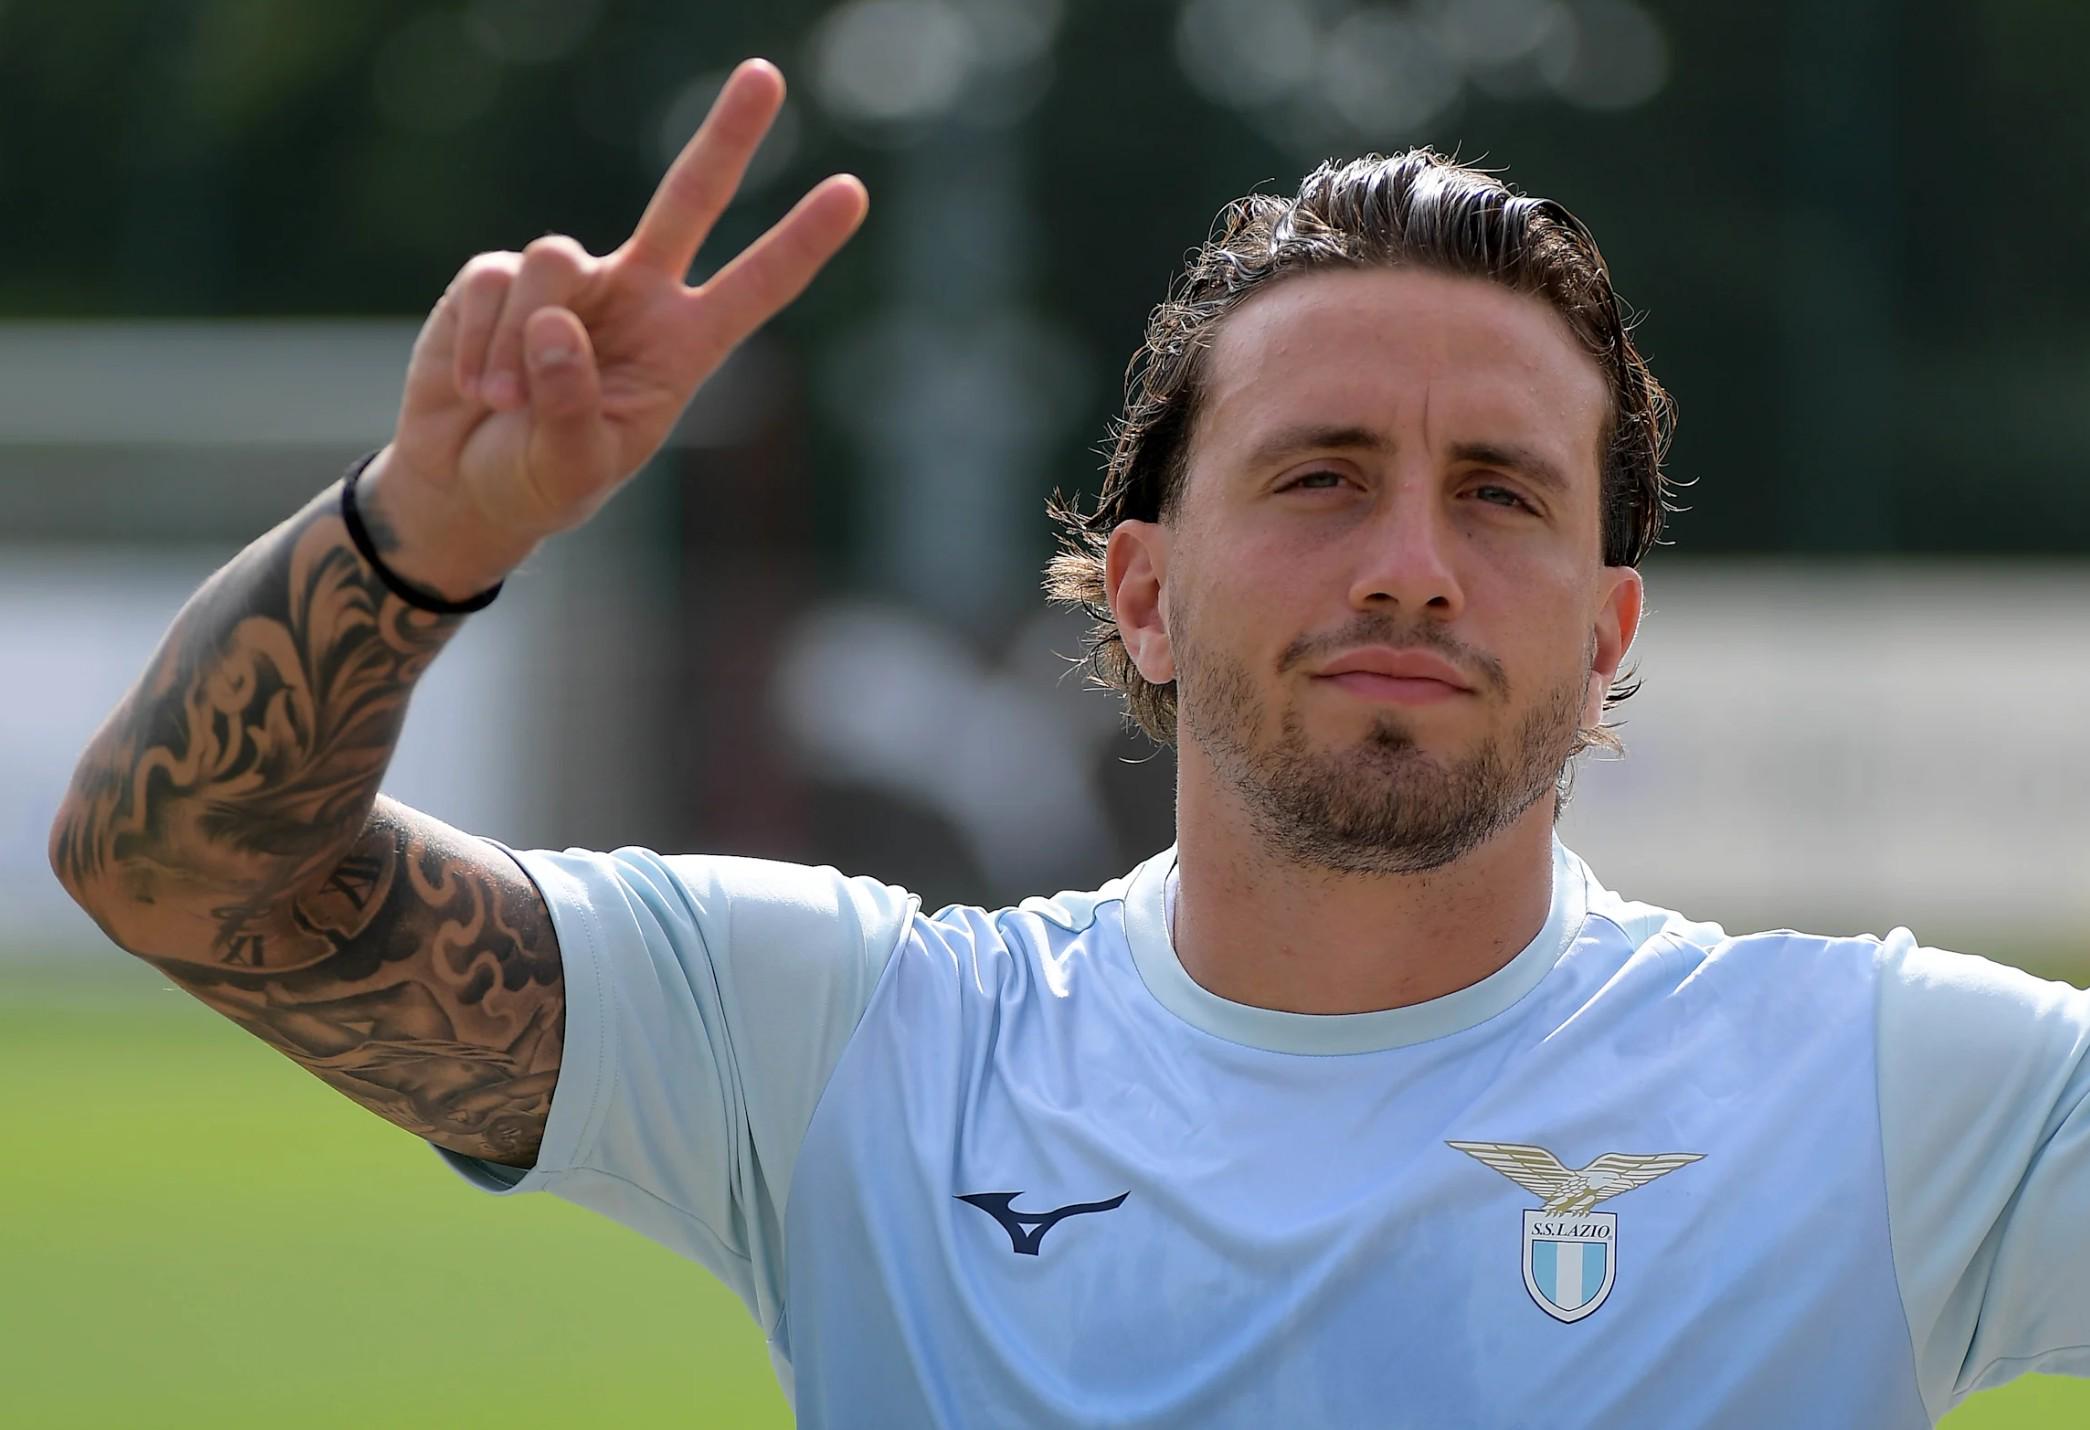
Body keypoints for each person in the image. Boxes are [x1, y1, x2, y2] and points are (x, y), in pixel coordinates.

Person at [47, 58, 2090, 1429]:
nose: (1408, 565)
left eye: (1498, 493)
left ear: (1606, 625)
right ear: (1141, 592)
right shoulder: (853, 1046)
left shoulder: (1894, 1092)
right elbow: (180, 876)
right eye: (1317, 475)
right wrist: (420, 537)